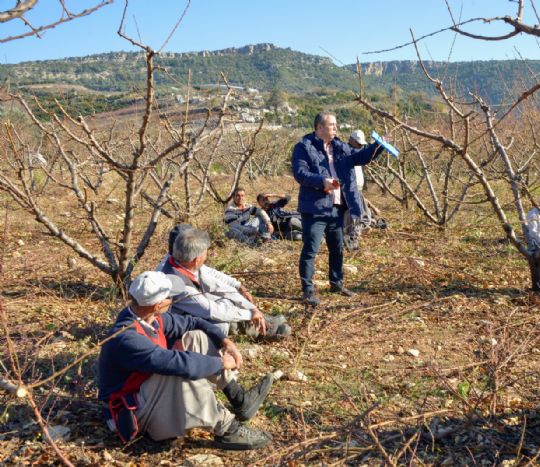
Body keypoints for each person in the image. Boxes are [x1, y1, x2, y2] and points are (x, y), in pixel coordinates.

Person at [97, 271, 273, 450]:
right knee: (182, 371)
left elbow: (194, 322)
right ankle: (227, 429)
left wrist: (224, 341)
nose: (173, 299)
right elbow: (179, 364)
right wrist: (221, 363)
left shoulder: (149, 317)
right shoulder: (126, 338)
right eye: (170, 296)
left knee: (197, 338)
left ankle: (238, 398)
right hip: (129, 413)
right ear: (158, 305)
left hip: (145, 392)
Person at [291, 112, 385, 305]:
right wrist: (321, 182)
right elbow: (300, 173)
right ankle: (308, 290)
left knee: (337, 248)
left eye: (335, 125)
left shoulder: (340, 147)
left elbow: (361, 157)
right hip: (315, 208)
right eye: (332, 125)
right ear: (319, 128)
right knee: (311, 249)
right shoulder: (304, 147)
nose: (336, 127)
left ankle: (336, 283)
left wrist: (379, 146)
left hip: (337, 207)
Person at [157, 224, 291, 340]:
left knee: (224, 299)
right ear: (196, 259)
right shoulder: (176, 282)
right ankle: (259, 330)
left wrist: (251, 306)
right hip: (179, 327)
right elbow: (211, 311)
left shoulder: (182, 262)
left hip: (194, 312)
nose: (207, 255)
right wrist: (250, 313)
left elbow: (218, 284)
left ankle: (261, 322)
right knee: (220, 322)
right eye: (205, 252)